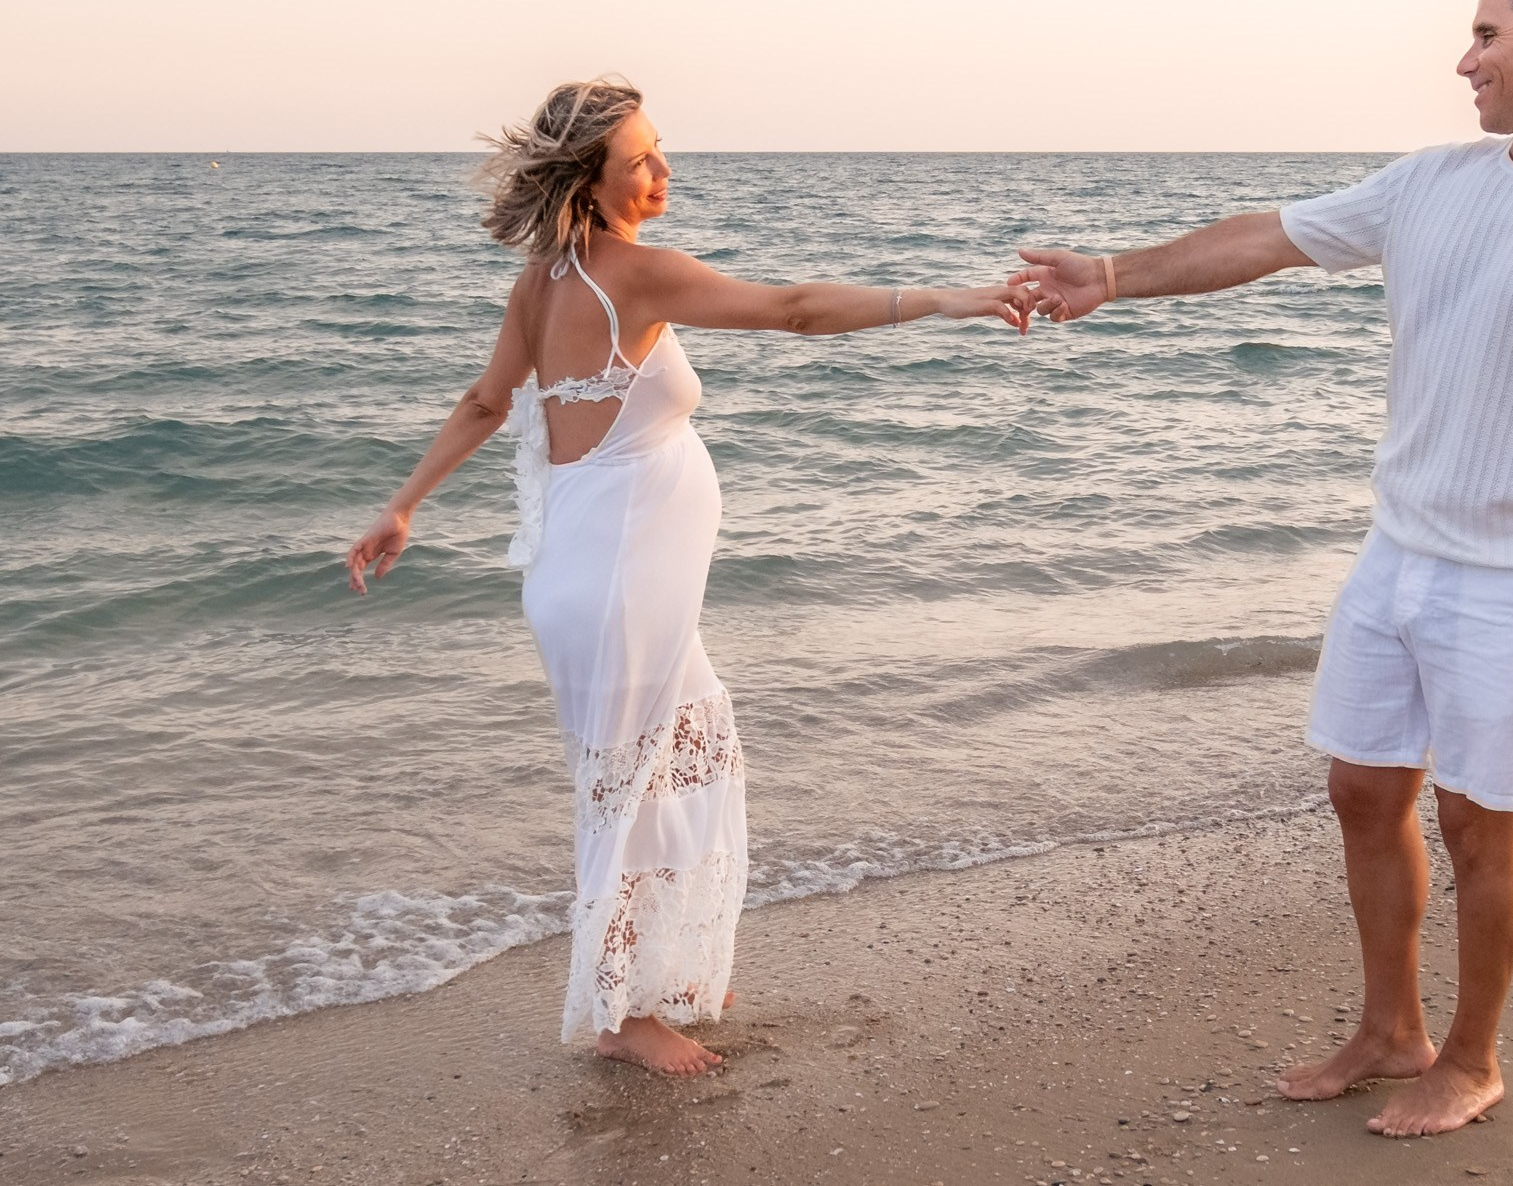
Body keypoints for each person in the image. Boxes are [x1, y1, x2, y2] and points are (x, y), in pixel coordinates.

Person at [1014, 0, 1513, 1136]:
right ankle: (1393, 1030)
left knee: (1476, 820)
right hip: (1397, 551)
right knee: (1359, 788)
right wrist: (1112, 277)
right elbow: (1266, 239)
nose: (1463, 58)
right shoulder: (1430, 181)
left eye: (1486, 35)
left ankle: (1472, 1059)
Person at [346, 79, 1027, 1076]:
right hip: (614, 584)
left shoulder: (543, 284)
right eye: (641, 160)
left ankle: (655, 972)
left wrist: (402, 504)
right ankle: (622, 1015)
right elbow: (792, 311)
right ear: (591, 179)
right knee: (629, 790)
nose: (663, 171)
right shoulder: (633, 275)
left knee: (682, 761)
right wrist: (946, 299)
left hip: (598, 580)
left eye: (661, 151)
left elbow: (486, 402)